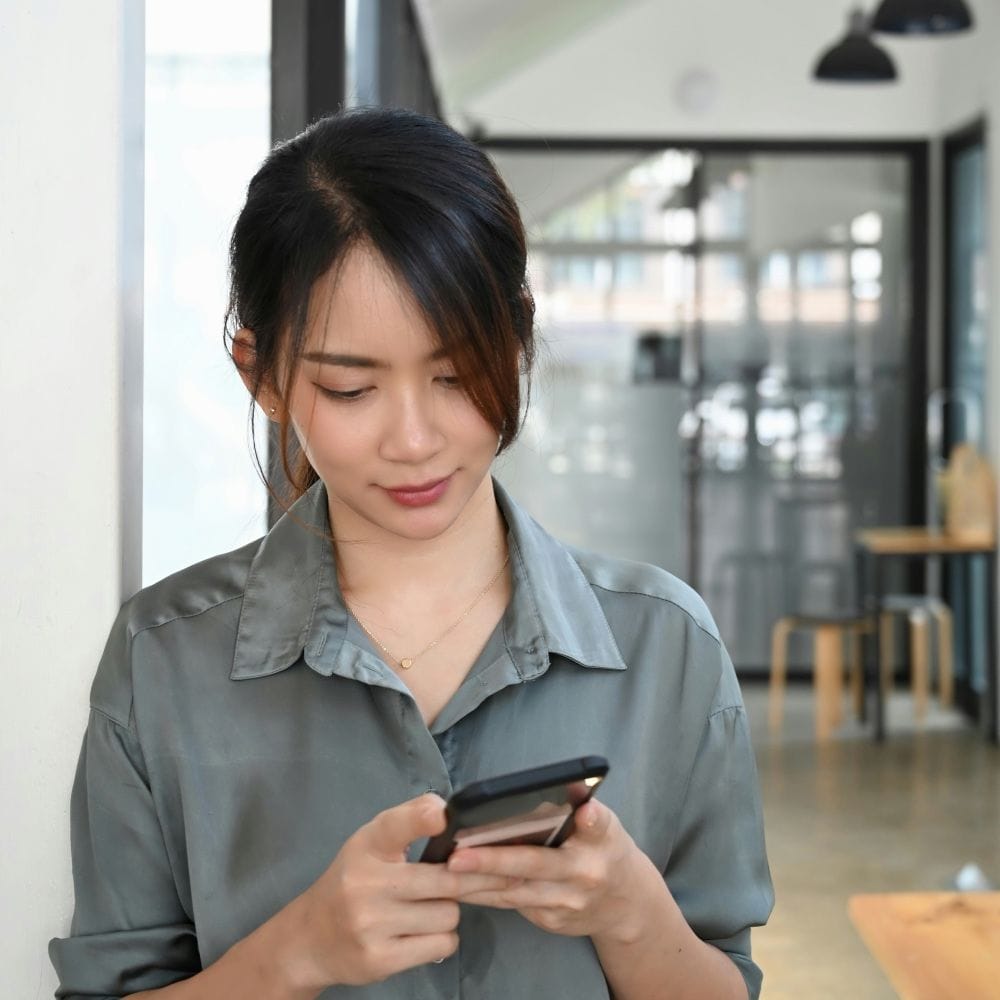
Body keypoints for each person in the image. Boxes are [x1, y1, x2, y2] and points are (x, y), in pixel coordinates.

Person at [49, 107, 773, 1000]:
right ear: (261, 375)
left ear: (517, 339)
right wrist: (296, 953)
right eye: (350, 388)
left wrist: (630, 910)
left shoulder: (667, 648)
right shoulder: (163, 660)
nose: (416, 439)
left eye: (457, 373)